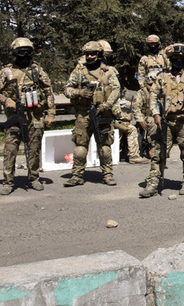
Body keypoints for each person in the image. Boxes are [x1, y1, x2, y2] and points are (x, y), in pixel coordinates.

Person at [142, 44, 184, 198]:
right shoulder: (162, 77)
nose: (177, 61)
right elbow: (153, 96)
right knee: (159, 152)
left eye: (180, 59)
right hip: (165, 121)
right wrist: (156, 113)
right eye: (174, 59)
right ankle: (153, 183)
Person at [0, 38, 56, 195]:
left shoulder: (37, 71)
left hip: (35, 116)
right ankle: (8, 181)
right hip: (14, 117)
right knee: (10, 149)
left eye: (27, 51)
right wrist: (7, 100)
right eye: (20, 51)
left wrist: (51, 113)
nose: (24, 55)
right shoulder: (6, 72)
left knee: (34, 149)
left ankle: (33, 178)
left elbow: (48, 91)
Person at [64, 41, 121, 186]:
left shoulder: (107, 72)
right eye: (87, 54)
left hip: (103, 114)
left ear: (99, 55)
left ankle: (107, 174)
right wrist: (80, 92)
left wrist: (106, 105)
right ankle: (77, 175)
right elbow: (67, 89)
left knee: (105, 146)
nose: (89, 57)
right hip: (83, 114)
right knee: (80, 147)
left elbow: (116, 89)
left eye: (93, 54)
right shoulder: (78, 71)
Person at [99, 39, 146, 164]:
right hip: (108, 119)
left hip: (102, 116)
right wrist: (124, 116)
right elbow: (113, 106)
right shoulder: (108, 75)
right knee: (130, 129)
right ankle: (134, 156)